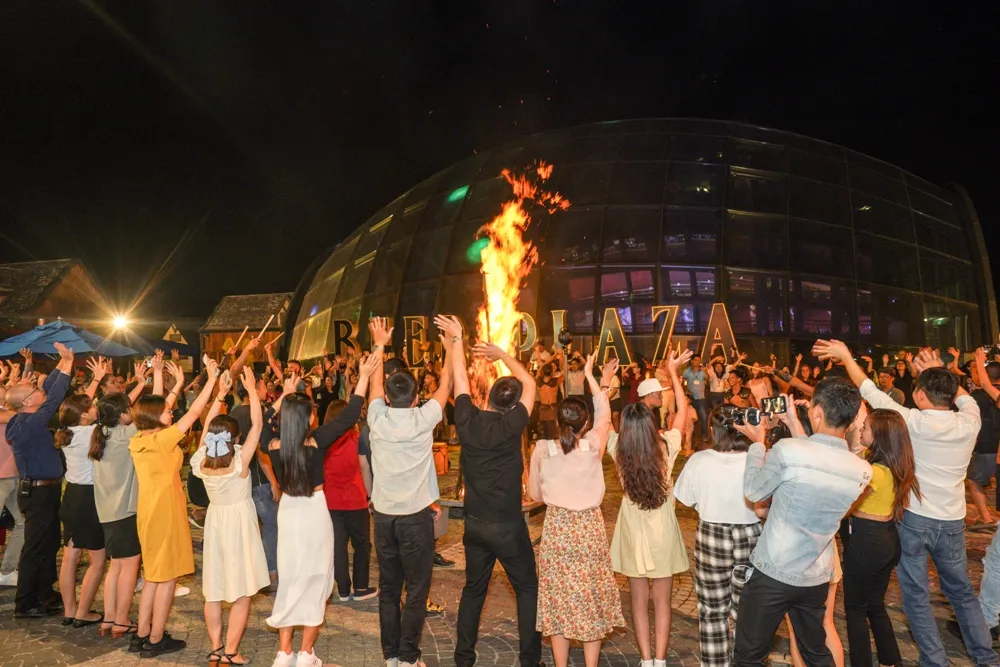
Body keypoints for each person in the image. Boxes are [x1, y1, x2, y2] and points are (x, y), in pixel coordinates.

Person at [814, 341, 999, 667]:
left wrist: (846, 357)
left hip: (914, 520)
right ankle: (985, 658)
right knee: (962, 594)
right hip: (953, 521)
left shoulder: (913, 421)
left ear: (920, 395)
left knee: (916, 596)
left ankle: (935, 661)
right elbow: (963, 397)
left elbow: (869, 390)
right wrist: (941, 372)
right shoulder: (970, 420)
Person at [731, 378, 872, 667]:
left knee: (749, 657)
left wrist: (757, 444)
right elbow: (820, 459)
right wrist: (795, 423)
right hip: (815, 577)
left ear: (817, 412)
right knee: (815, 652)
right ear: (851, 421)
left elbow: (754, 492)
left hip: (774, 571)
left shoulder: (788, 450)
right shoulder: (861, 470)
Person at [435, 314, 541, 667]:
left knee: (473, 590)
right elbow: (530, 382)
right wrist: (502, 355)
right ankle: (530, 660)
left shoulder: (467, 420)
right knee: (527, 589)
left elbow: (461, 380)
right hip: (507, 526)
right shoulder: (513, 424)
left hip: (476, 525)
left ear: (490, 399)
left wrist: (457, 341)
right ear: (513, 406)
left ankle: (463, 657)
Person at [265, 354, 378, 667]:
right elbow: (349, 415)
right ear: (308, 419)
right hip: (314, 510)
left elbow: (263, 423)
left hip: (288, 510)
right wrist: (363, 376)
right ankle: (306, 654)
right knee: (316, 578)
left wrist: (285, 397)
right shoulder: (316, 442)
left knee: (290, 577)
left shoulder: (273, 445)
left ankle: (284, 653)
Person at [366, 317, 452, 667]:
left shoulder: (377, 419)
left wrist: (379, 344)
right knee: (416, 590)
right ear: (417, 397)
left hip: (384, 518)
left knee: (389, 589)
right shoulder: (423, 419)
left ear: (387, 397)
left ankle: (392, 656)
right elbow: (445, 386)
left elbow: (374, 386)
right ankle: (408, 656)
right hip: (415, 519)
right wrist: (451, 348)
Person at [528, 352, 623, 667]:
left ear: (558, 421)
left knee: (559, 599)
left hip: (558, 529)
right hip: (588, 530)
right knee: (589, 597)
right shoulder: (593, 445)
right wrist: (596, 378)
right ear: (585, 424)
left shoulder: (543, 449)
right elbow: (604, 413)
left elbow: (534, 494)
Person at [128, 356, 219, 658]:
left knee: (153, 576)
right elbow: (193, 413)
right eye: (167, 411)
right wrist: (210, 379)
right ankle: (155, 639)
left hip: (149, 511)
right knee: (167, 578)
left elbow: (155, 404)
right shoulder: (163, 440)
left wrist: (172, 383)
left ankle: (142, 633)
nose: (171, 410)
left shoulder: (140, 439)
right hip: (165, 512)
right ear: (156, 417)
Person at [610, 349, 691, 667]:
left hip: (632, 533)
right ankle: (659, 660)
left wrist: (603, 384)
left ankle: (645, 660)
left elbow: (601, 419)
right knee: (663, 603)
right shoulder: (667, 446)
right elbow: (682, 410)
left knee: (638, 604)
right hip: (662, 533)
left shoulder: (618, 448)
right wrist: (674, 373)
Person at [191, 367, 270, 665]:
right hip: (239, 524)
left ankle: (216, 647)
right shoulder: (239, 460)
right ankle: (232, 651)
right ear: (234, 437)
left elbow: (205, 431)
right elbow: (258, 425)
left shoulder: (201, 461)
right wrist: (251, 391)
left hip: (216, 522)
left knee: (213, 590)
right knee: (242, 591)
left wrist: (220, 395)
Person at [675, 405, 763, 667]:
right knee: (747, 611)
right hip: (751, 534)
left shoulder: (699, 460)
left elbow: (686, 498)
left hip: (711, 534)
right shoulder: (756, 459)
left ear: (713, 430)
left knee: (712, 610)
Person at [2, 341, 75, 618]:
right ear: (27, 402)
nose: (39, 390)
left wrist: (62, 363)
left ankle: (45, 592)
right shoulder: (29, 423)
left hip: (45, 491)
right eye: (34, 390)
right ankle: (25, 602)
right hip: (38, 493)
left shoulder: (23, 419)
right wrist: (68, 365)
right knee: (34, 547)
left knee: (48, 543)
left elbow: (49, 389)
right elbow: (54, 398)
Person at [841, 408, 918, 667]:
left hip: (866, 540)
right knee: (875, 604)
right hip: (887, 538)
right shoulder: (894, 465)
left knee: (855, 608)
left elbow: (847, 506)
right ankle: (890, 660)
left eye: (865, 427)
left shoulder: (873, 472)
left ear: (880, 435)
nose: (860, 430)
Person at [90, 386, 145, 641]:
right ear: (123, 414)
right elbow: (151, 412)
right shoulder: (125, 435)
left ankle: (110, 617)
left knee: (115, 567)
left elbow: (116, 409)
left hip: (106, 510)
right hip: (124, 510)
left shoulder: (100, 432)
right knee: (130, 567)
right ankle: (122, 620)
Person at [53, 394, 105, 627]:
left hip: (71, 495)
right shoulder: (92, 432)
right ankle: (83, 612)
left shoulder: (65, 433)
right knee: (97, 559)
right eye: (91, 406)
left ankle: (70, 610)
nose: (95, 408)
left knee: (70, 557)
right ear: (83, 414)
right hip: (90, 497)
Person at [322, 399, 376, 603]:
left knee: (338, 545)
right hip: (355, 498)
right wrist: (370, 496)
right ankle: (361, 587)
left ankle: (343, 589)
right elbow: (364, 467)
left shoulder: (323, 441)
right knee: (361, 544)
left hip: (331, 500)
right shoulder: (356, 439)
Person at [231, 377, 281, 590]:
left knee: (248, 528)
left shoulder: (233, 413)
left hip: (240, 480)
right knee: (270, 524)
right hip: (259, 479)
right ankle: (271, 570)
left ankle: (250, 573)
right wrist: (274, 481)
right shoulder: (255, 413)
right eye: (262, 386)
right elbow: (260, 452)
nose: (265, 390)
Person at [961, 354, 1000, 526]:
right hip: (995, 448)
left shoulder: (978, 396)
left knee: (974, 480)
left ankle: (986, 517)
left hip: (986, 445)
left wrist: (979, 362)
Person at [0, 383, 24, 588]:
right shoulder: (11, 415)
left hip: (14, 476)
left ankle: (7, 570)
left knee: (23, 522)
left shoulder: (10, 412)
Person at [682, 354, 710, 444]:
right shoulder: (687, 371)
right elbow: (683, 382)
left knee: (703, 416)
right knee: (689, 417)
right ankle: (689, 436)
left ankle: (704, 435)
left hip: (701, 397)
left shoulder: (702, 371)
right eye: (696, 360)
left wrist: (706, 371)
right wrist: (686, 390)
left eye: (699, 360)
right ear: (692, 361)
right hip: (690, 398)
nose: (698, 362)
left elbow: (708, 380)